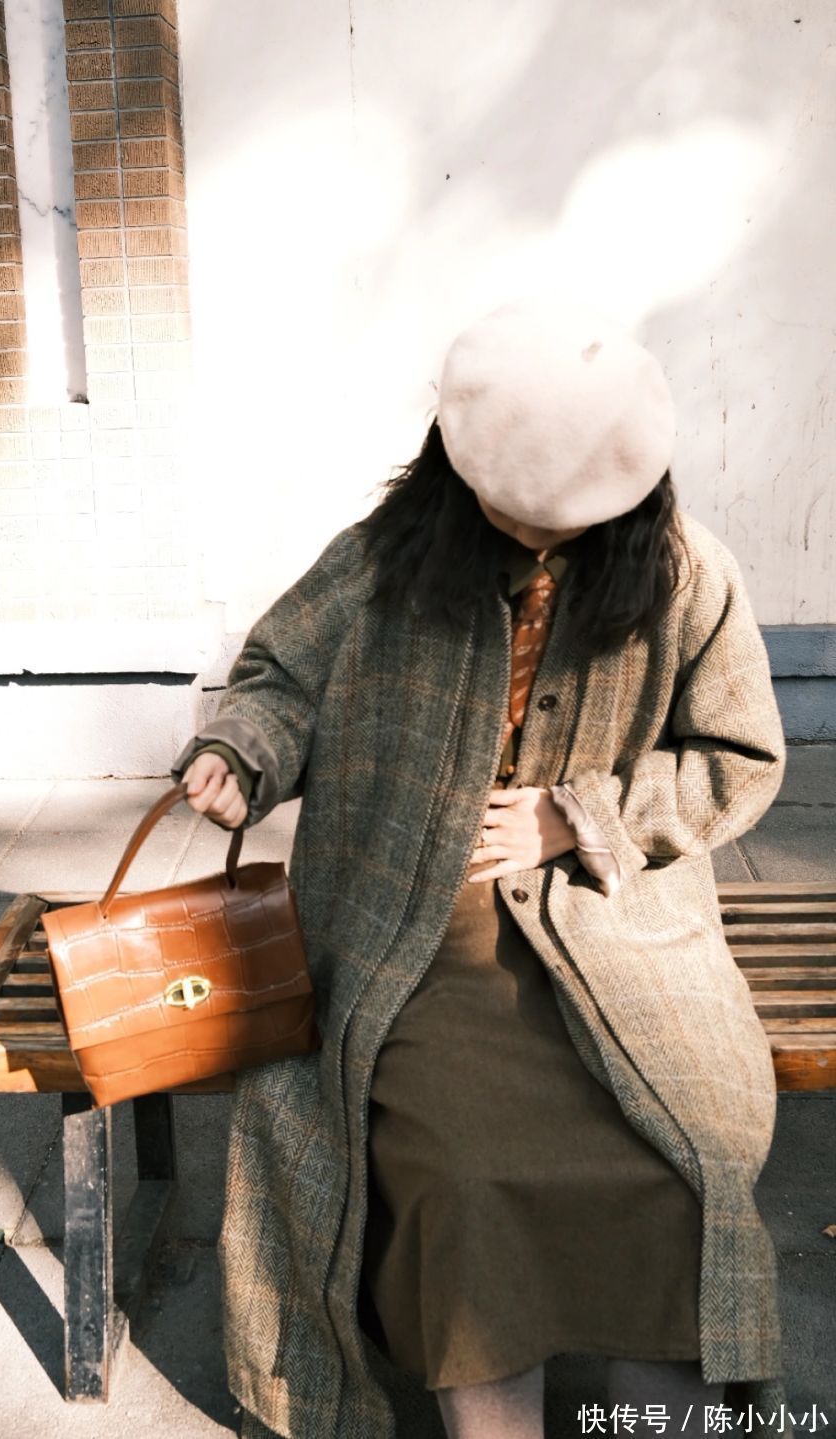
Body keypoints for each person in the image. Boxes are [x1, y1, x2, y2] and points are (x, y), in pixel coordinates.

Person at [172, 301, 791, 1439]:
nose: (542, 536)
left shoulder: (688, 574)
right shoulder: (381, 562)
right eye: (516, 510)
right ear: (457, 469)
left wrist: (577, 817)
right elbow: (281, 679)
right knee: (455, 1174)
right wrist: (241, 750)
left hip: (616, 921)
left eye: (572, 516)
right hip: (416, 929)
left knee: (679, 1157)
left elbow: (739, 756)